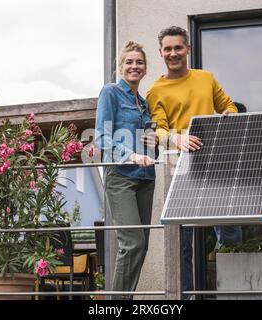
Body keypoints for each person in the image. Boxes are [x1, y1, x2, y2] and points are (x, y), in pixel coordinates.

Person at [146, 26, 242, 299]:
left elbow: (229, 106)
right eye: (168, 49)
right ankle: (186, 297)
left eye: (178, 47)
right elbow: (158, 131)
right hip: (183, 168)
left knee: (229, 232)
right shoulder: (155, 90)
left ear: (188, 49)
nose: (173, 53)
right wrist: (177, 139)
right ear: (161, 53)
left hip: (216, 163)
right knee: (183, 243)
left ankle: (233, 291)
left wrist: (230, 115)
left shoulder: (206, 78)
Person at [95, 41, 157, 300]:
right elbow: (101, 138)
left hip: (145, 179)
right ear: (121, 67)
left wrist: (154, 144)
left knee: (141, 248)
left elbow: (148, 141)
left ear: (144, 69)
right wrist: (131, 155)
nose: (134, 66)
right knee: (132, 243)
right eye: (129, 62)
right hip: (120, 176)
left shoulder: (144, 103)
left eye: (139, 62)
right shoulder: (110, 93)